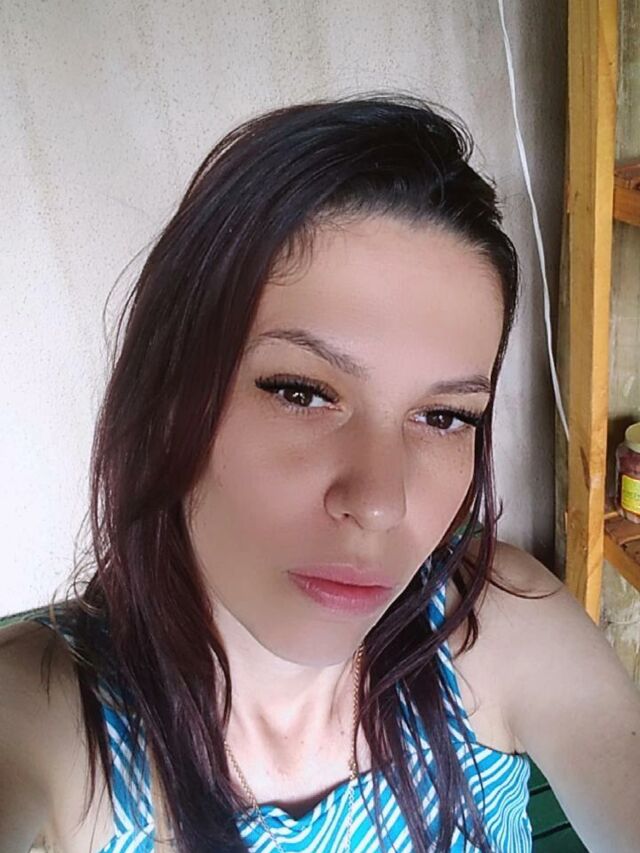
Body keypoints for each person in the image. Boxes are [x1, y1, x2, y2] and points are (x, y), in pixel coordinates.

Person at [1, 94, 639, 853]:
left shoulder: (495, 624)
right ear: (167, 400)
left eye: (444, 416)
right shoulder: (49, 722)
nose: (379, 502)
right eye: (302, 393)